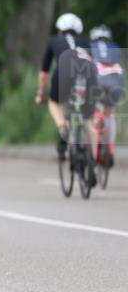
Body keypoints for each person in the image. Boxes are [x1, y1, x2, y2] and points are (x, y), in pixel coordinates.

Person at [36, 13, 98, 175]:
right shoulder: (85, 42)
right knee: (88, 117)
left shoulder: (53, 41)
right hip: (87, 75)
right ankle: (92, 158)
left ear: (60, 30)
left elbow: (44, 74)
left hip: (63, 72)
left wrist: (40, 93)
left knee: (54, 103)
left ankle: (62, 126)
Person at [89, 24, 124, 165]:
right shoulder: (115, 47)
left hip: (97, 82)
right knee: (110, 113)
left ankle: (96, 139)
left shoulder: (90, 45)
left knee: (94, 111)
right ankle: (110, 148)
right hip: (116, 83)